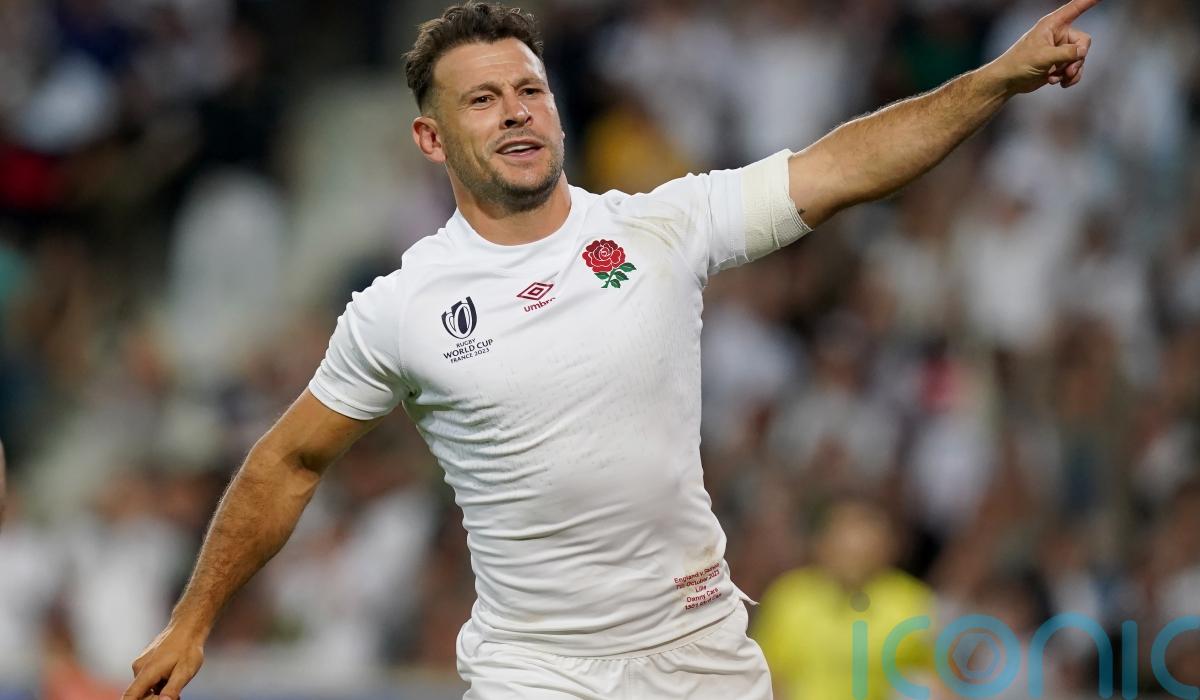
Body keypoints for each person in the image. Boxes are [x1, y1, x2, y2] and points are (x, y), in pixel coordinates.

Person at [123, 1, 1099, 698]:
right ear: (431, 138)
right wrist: (192, 620)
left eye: (530, 89)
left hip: (700, 651)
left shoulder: (659, 223)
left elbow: (841, 166)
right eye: (482, 100)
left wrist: (993, 80)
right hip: (536, 670)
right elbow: (289, 460)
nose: (516, 110)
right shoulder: (399, 309)